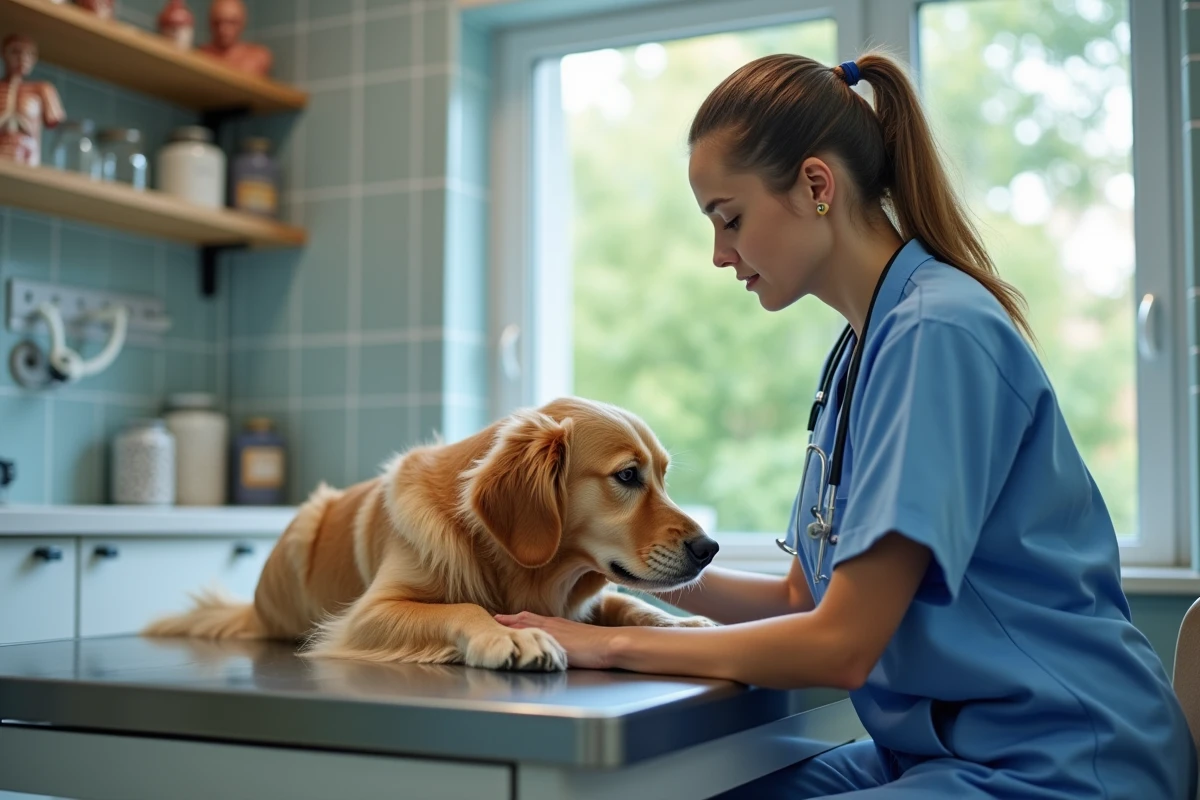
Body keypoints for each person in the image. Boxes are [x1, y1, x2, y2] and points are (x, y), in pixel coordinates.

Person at [495, 50, 1198, 798]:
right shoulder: (862, 352)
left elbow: (841, 646)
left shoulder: (937, 334)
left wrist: (607, 643)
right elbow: (803, 599)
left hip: (1064, 759)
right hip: (939, 753)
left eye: (729, 219)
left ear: (815, 185)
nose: (719, 254)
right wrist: (620, 560)